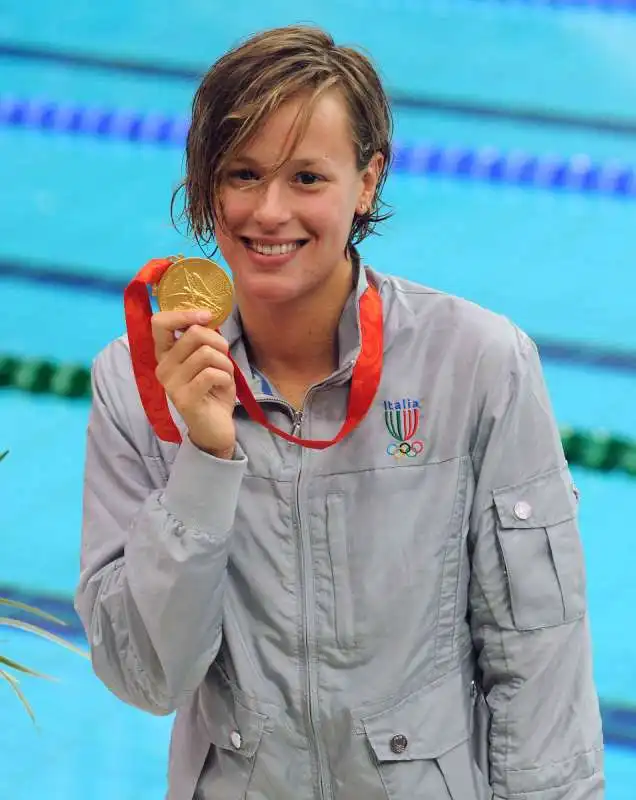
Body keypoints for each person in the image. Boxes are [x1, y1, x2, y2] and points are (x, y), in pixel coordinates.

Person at [75, 24, 604, 800]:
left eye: (308, 178)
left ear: (367, 182)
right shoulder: (135, 383)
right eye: (243, 174)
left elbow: (537, 658)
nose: (269, 211)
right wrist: (206, 462)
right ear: (205, 184)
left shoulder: (479, 364)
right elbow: (147, 679)